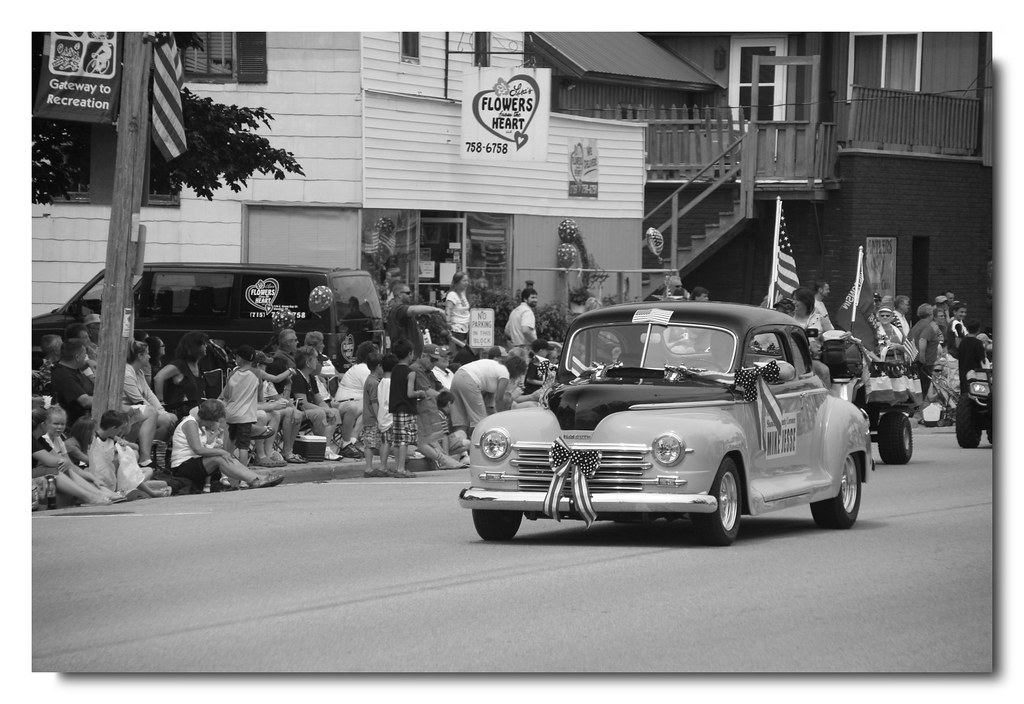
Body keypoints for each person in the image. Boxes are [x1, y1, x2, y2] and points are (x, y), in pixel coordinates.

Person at [169, 399, 284, 493]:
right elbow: (197, 449)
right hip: (182, 466)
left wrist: (221, 450)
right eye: (216, 420)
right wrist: (221, 452)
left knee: (225, 456)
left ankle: (257, 478)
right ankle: (254, 479)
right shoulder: (190, 423)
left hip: (195, 462)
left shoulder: (201, 426)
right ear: (210, 419)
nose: (216, 424)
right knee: (220, 456)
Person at [221, 344, 295, 468]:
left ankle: (226, 473)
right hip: (245, 417)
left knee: (230, 443)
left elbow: (227, 395)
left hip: (231, 415)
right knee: (243, 447)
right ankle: (243, 474)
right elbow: (277, 379)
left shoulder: (233, 374)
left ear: (239, 358)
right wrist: (290, 371)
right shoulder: (257, 373)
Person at [32, 407, 119, 507]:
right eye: (55, 423)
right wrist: (64, 461)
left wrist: (90, 476)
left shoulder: (43, 439)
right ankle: (89, 497)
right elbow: (52, 461)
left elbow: (65, 462)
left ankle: (100, 493)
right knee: (54, 470)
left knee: (68, 470)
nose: (60, 427)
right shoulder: (34, 439)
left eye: (62, 424)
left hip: (52, 470)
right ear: (43, 424)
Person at [89, 410, 172, 499]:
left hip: (111, 480)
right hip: (95, 479)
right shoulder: (92, 440)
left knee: (127, 453)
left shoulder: (112, 439)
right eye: (120, 429)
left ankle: (146, 491)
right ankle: (150, 492)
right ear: (113, 428)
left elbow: (135, 448)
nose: (120, 431)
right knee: (123, 457)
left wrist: (124, 446)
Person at [411, 343, 463, 470]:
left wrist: (452, 397)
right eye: (432, 359)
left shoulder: (428, 371)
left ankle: (445, 458)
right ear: (423, 355)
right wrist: (446, 399)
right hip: (419, 412)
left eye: (436, 360)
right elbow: (429, 391)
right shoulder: (417, 369)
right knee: (428, 439)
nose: (434, 363)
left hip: (429, 411)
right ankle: (443, 460)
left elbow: (441, 388)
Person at [449, 354, 528, 436]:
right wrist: (503, 418)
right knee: (481, 422)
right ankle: (478, 445)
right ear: (517, 372)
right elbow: (499, 400)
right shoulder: (504, 374)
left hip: (458, 376)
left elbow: (490, 403)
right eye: (519, 375)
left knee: (461, 419)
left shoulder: (496, 367)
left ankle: (461, 442)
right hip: (469, 380)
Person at [291, 345, 343, 461]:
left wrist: (329, 409)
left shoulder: (312, 378)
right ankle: (322, 448)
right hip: (298, 412)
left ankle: (326, 448)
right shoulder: (297, 376)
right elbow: (303, 403)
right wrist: (325, 410)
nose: (317, 362)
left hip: (311, 410)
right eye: (315, 358)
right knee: (320, 413)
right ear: (307, 362)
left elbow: (318, 400)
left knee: (334, 411)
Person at [332, 340, 380, 459]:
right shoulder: (363, 369)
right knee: (367, 407)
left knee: (366, 409)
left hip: (354, 404)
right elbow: (373, 390)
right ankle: (348, 442)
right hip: (344, 405)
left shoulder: (361, 368)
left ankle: (352, 441)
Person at [154, 330, 210, 420]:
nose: (206, 346)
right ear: (194, 346)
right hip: (179, 414)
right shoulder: (179, 365)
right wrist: (160, 402)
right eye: (203, 344)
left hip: (194, 413)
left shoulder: (198, 366)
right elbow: (158, 377)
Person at [386, 281, 445, 359]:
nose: (410, 295)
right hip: (406, 359)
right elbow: (413, 310)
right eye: (408, 293)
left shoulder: (400, 310)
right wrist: (437, 310)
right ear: (399, 295)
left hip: (411, 358)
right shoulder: (398, 309)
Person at [387, 338, 419, 479]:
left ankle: (397, 467)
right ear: (410, 354)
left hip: (396, 409)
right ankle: (401, 468)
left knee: (397, 440)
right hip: (407, 409)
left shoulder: (394, 370)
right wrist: (420, 393)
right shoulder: (410, 372)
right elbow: (410, 393)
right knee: (405, 440)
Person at [358, 352, 389, 478]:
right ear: (378, 366)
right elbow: (374, 402)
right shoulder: (373, 383)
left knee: (376, 442)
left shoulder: (372, 380)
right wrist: (380, 417)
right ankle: (369, 468)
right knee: (370, 444)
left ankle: (373, 467)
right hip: (372, 418)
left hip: (370, 417)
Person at [909, 303, 942, 401]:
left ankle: (915, 412)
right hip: (925, 363)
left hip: (915, 362)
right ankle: (917, 413)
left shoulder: (917, 325)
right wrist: (922, 357)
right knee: (922, 390)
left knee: (917, 390)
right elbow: (923, 340)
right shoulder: (928, 326)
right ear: (930, 314)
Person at [373, 353, 398, 477]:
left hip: (382, 416)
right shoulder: (391, 383)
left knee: (385, 442)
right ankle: (383, 466)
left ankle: (383, 466)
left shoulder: (381, 382)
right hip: (390, 417)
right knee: (390, 443)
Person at [444, 270, 472, 357]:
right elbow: (448, 309)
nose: (466, 283)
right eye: (464, 281)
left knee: (465, 353)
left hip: (465, 328)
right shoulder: (452, 295)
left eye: (467, 280)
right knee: (457, 355)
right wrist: (448, 324)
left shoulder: (462, 294)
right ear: (457, 282)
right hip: (456, 329)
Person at [956, 319, 989, 392]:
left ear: (967, 329)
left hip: (963, 373)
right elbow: (982, 360)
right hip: (975, 374)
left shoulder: (962, 342)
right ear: (979, 329)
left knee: (965, 394)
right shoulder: (978, 343)